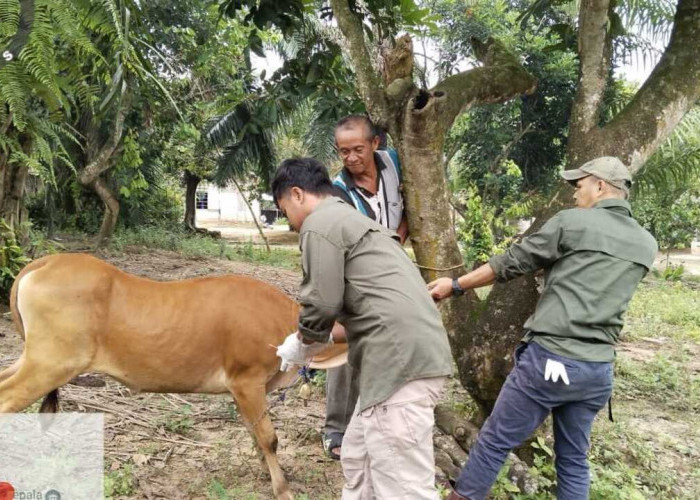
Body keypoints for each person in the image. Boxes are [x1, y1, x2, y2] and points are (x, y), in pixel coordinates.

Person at [428, 157, 658, 500]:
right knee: (574, 460)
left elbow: (511, 263)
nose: (575, 194)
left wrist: (456, 285)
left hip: (552, 361)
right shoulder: (646, 244)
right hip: (596, 370)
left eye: (579, 186)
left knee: (494, 440)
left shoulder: (572, 223)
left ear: (600, 186)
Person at [273, 157, 453, 499]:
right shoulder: (357, 222)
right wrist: (316, 338)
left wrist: (303, 343)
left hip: (396, 365)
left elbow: (322, 305)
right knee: (358, 456)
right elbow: (367, 315)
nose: (290, 224)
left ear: (296, 194)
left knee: (404, 487)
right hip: (411, 357)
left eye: (284, 211)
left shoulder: (320, 223)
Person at [323, 115, 409, 460]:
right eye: (344, 151)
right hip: (355, 276)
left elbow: (409, 212)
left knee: (383, 346)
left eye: (358, 149)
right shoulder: (338, 191)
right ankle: (335, 429)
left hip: (393, 274)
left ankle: (371, 420)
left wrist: (396, 243)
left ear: (375, 144)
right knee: (347, 350)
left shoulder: (395, 164)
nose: (351, 158)